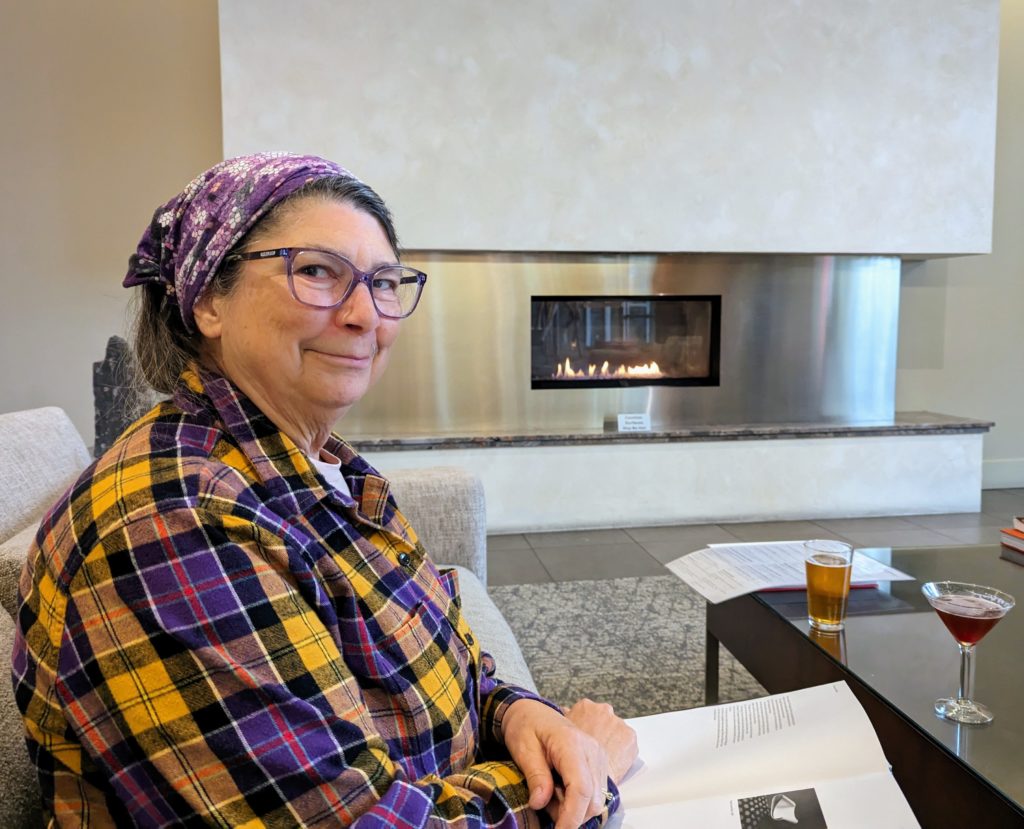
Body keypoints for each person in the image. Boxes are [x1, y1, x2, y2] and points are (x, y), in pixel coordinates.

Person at [13, 152, 637, 828]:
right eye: (316, 271)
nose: (365, 313)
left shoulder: (327, 470)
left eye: (384, 282)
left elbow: (445, 656)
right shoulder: (169, 522)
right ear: (207, 299)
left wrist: (518, 710)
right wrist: (583, 773)